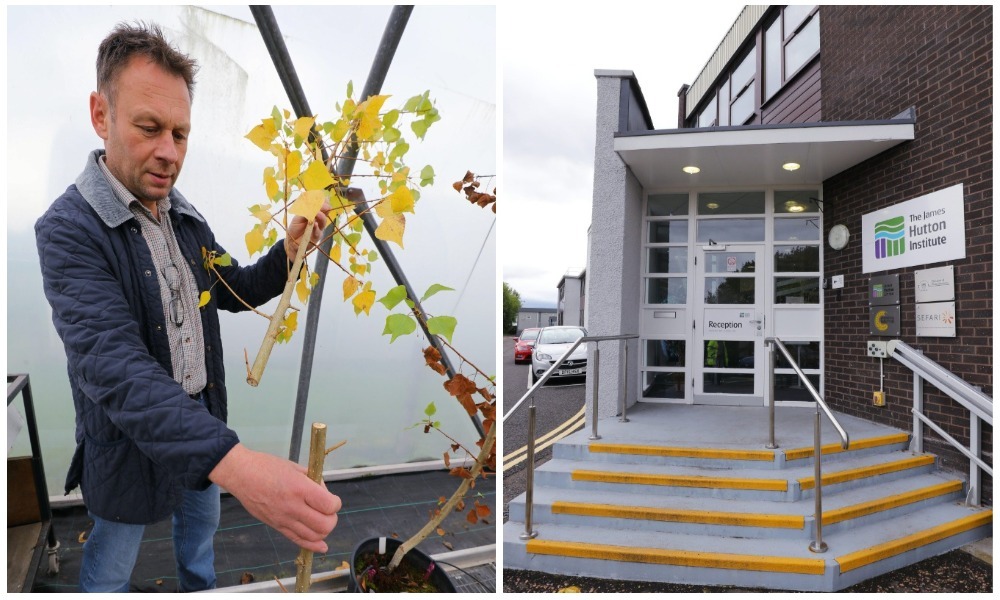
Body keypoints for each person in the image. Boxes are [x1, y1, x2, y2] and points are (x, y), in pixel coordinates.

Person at [34, 22, 340, 592]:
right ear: (101, 116)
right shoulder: (67, 230)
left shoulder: (181, 214)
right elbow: (113, 367)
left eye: (180, 133)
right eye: (149, 128)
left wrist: (288, 253)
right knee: (111, 565)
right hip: (129, 445)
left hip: (201, 423)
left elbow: (233, 288)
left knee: (199, 547)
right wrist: (239, 465)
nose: (168, 152)